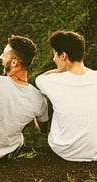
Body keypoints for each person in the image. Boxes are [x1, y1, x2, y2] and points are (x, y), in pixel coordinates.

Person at [36, 30, 97, 162]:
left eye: (55, 55)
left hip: (65, 150)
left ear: (63, 56)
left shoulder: (49, 81)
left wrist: (61, 69)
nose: (53, 59)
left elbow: (39, 78)